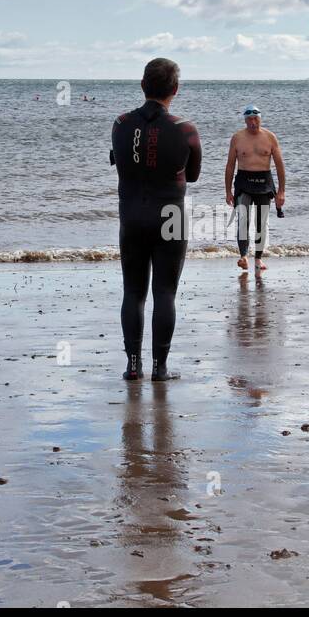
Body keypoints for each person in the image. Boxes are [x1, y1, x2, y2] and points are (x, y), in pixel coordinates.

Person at [109, 58, 201, 381]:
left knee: (133, 292)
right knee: (165, 292)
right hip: (171, 215)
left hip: (131, 214)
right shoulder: (185, 129)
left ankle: (133, 365)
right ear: (175, 89)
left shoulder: (120, 124)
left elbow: (118, 161)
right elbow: (193, 174)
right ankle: (160, 368)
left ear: (142, 85)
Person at [225, 105, 286, 276]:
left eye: (256, 119)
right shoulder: (237, 138)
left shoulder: (270, 137)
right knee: (243, 220)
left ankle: (258, 258)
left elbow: (280, 166)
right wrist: (228, 191)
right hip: (243, 182)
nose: (253, 122)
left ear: (260, 118)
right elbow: (230, 166)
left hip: (264, 183)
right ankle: (243, 256)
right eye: (249, 119)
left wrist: (281, 191)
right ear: (245, 120)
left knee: (261, 223)